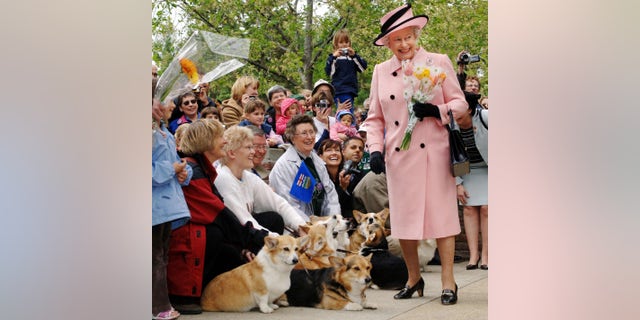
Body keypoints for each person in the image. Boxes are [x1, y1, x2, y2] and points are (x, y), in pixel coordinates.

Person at [368, 3, 467, 304]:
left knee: (443, 218)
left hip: (435, 155)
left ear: (416, 33)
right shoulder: (380, 72)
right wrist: (374, 149)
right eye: (396, 39)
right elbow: (374, 118)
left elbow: (461, 105)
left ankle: (449, 282)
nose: (403, 44)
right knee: (405, 222)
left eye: (407, 36)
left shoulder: (438, 62)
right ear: (387, 43)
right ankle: (414, 279)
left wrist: (437, 110)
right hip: (399, 156)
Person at [167, 119, 269, 315]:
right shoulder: (193, 172)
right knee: (213, 232)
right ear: (207, 142)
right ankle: (186, 295)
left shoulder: (203, 169)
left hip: (199, 238)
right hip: (184, 247)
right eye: (220, 137)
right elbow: (219, 215)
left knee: (237, 247)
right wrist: (260, 239)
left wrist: (247, 243)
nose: (225, 141)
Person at [214, 126, 308, 235]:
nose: (253, 152)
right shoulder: (223, 178)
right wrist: (279, 241)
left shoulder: (248, 176)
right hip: (230, 238)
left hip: (243, 233)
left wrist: (301, 226)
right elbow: (245, 222)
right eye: (248, 147)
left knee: (273, 218)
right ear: (231, 153)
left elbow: (278, 204)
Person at [152, 91, 191, 320]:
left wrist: (181, 173)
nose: (170, 105)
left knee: (162, 255)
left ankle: (159, 303)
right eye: (167, 101)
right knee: (155, 256)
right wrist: (171, 170)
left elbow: (173, 166)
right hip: (155, 208)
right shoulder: (150, 135)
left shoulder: (164, 133)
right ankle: (158, 306)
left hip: (168, 205)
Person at [269, 114, 341, 220]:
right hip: (300, 227)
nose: (309, 137)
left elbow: (330, 193)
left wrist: (334, 220)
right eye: (304, 133)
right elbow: (290, 206)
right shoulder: (283, 166)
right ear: (293, 138)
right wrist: (312, 228)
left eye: (311, 132)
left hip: (324, 224)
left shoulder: (316, 159)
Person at [455, 94, 488, 271]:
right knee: (468, 208)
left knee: (486, 209)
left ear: (469, 109)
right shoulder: (452, 124)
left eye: (460, 117)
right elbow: (451, 155)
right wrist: (458, 183)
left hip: (489, 169)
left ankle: (487, 255)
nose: (457, 121)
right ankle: (473, 254)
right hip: (467, 170)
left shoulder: (485, 118)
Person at [317, 137, 366, 221]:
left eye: (337, 150)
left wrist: (343, 188)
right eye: (328, 150)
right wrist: (342, 188)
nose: (334, 153)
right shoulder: (317, 177)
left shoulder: (348, 175)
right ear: (320, 156)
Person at [325, 29, 368, 112]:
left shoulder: (353, 57)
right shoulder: (333, 58)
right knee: (346, 114)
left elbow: (362, 68)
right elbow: (329, 72)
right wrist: (334, 57)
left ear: (349, 43)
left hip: (351, 90)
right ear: (336, 44)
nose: (344, 44)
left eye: (346, 42)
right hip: (340, 90)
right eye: (341, 42)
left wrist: (354, 55)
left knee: (347, 114)